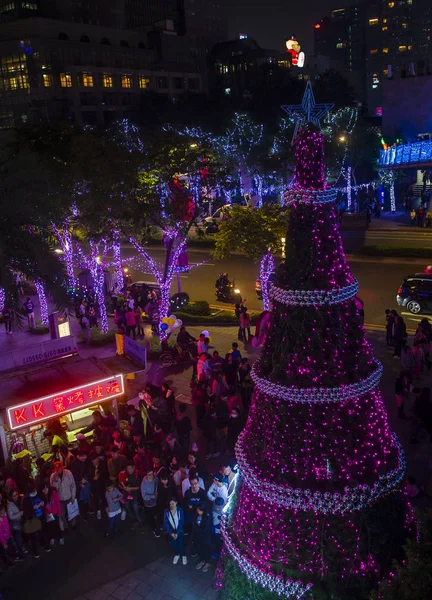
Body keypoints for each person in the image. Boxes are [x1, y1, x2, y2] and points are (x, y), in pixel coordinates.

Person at [23, 483, 51, 558]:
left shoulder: (39, 494)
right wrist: (33, 508)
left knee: (42, 532)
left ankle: (43, 544)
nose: (34, 492)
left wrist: (43, 503)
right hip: (32, 520)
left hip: (41, 517)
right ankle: (35, 551)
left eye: (35, 491)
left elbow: (44, 500)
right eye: (33, 492)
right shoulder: (26, 499)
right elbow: (25, 512)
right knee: (33, 536)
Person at [49, 462, 76, 532]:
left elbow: (73, 485)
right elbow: (53, 489)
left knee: (71, 512)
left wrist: (73, 497)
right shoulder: (53, 476)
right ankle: (65, 526)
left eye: (59, 468)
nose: (58, 470)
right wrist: (57, 480)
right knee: (62, 514)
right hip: (60, 499)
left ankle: (73, 524)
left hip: (69, 496)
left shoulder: (68, 473)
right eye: (57, 469)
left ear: (62, 467)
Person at [164, 497, 187, 565]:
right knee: (173, 544)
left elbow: (181, 521)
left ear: (176, 503)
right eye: (170, 504)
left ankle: (183, 555)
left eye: (173, 504)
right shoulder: (166, 511)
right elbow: (166, 523)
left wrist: (177, 533)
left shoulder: (180, 510)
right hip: (171, 531)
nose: (171, 506)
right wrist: (171, 533)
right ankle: (177, 554)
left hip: (179, 530)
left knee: (180, 543)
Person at [121, 462, 142, 528]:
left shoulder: (137, 474)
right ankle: (133, 520)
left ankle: (140, 521)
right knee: (127, 508)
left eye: (130, 468)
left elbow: (139, 487)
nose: (129, 470)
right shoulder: (125, 474)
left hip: (135, 495)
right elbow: (121, 483)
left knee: (135, 508)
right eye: (127, 469)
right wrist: (124, 487)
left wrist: (130, 488)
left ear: (134, 467)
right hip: (127, 495)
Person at [87, 451, 107, 520]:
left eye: (96, 459)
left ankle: (106, 509)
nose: (96, 461)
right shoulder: (89, 467)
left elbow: (105, 473)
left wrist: (99, 475)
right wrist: (93, 478)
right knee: (96, 498)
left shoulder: (102, 463)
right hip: (94, 486)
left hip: (102, 484)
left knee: (104, 497)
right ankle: (98, 511)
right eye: (94, 460)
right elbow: (89, 477)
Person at [192, 504, 212, 572]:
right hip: (198, 536)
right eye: (197, 509)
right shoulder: (197, 515)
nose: (198, 511)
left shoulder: (207, 517)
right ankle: (202, 560)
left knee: (206, 550)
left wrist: (196, 528)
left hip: (205, 537)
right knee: (200, 549)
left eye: (200, 510)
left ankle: (207, 563)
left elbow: (205, 529)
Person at [7, 490, 26, 557]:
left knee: (22, 535)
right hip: (15, 525)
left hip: (21, 522)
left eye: (16, 494)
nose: (16, 496)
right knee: (18, 538)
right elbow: (11, 517)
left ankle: (22, 547)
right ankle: (20, 551)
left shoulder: (19, 501)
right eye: (14, 495)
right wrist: (19, 514)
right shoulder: (10, 505)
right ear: (11, 497)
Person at [140, 469, 159, 537]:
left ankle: (157, 526)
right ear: (146, 475)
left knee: (156, 514)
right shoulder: (143, 484)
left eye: (152, 474)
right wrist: (154, 496)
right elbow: (144, 496)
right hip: (149, 503)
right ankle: (154, 528)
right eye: (149, 474)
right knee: (150, 516)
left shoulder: (156, 479)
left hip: (156, 502)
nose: (151, 476)